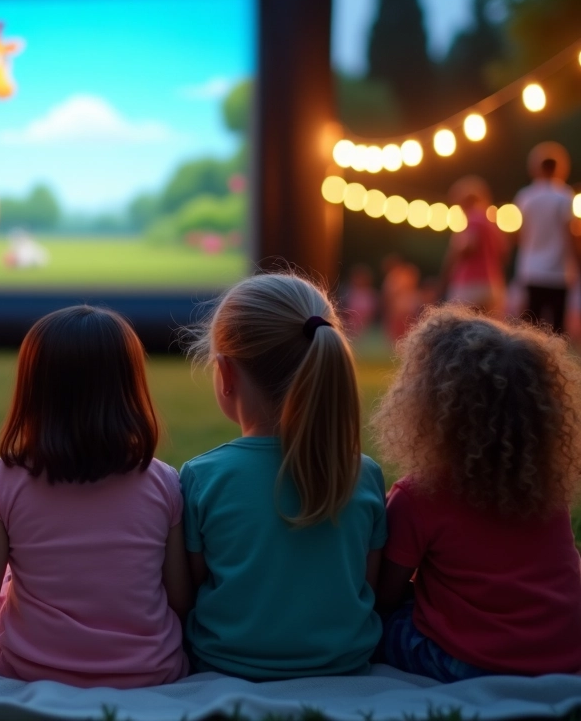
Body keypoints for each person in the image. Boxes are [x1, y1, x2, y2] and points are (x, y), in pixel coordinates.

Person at [0, 305, 191, 687]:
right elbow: (179, 599)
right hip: (148, 674)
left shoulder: (5, 482)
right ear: (129, 390)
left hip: (26, 671)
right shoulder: (163, 483)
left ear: (34, 391)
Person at [179, 273, 387, 679]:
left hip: (225, 666)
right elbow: (370, 588)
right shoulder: (364, 475)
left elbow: (187, 593)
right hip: (342, 665)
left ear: (225, 374)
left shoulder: (202, 478)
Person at [372, 306, 581, 681]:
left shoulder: (419, 496)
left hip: (473, 663)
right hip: (563, 653)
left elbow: (385, 594)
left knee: (380, 624)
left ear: (431, 406)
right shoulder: (547, 491)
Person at [513, 141, 578, 332]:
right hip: (559, 272)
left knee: (530, 329)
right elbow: (570, 233)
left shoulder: (525, 196)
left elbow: (519, 234)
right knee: (557, 329)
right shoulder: (564, 196)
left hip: (531, 269)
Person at [442, 176, 507, 317]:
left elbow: (469, 245)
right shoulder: (492, 223)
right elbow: (503, 251)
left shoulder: (473, 218)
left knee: (458, 324)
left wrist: (454, 252)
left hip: (470, 284)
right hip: (493, 283)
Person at [341, 264, 378, 338]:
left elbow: (373, 316)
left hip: (367, 330)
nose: (360, 280)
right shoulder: (348, 293)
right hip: (350, 328)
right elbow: (344, 311)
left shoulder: (371, 295)